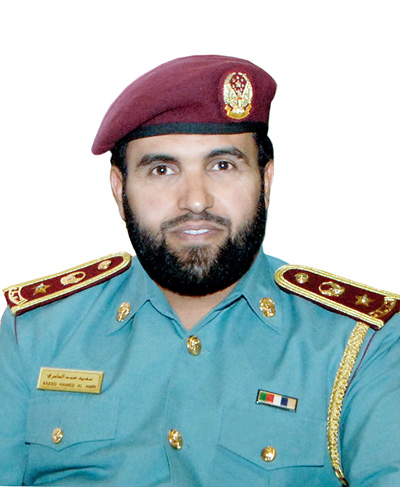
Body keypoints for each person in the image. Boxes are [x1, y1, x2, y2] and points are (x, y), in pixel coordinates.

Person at [1, 55, 399, 487]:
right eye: (162, 169)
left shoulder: (360, 345)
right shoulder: (35, 334)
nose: (195, 200)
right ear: (120, 190)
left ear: (265, 182)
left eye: (222, 165)